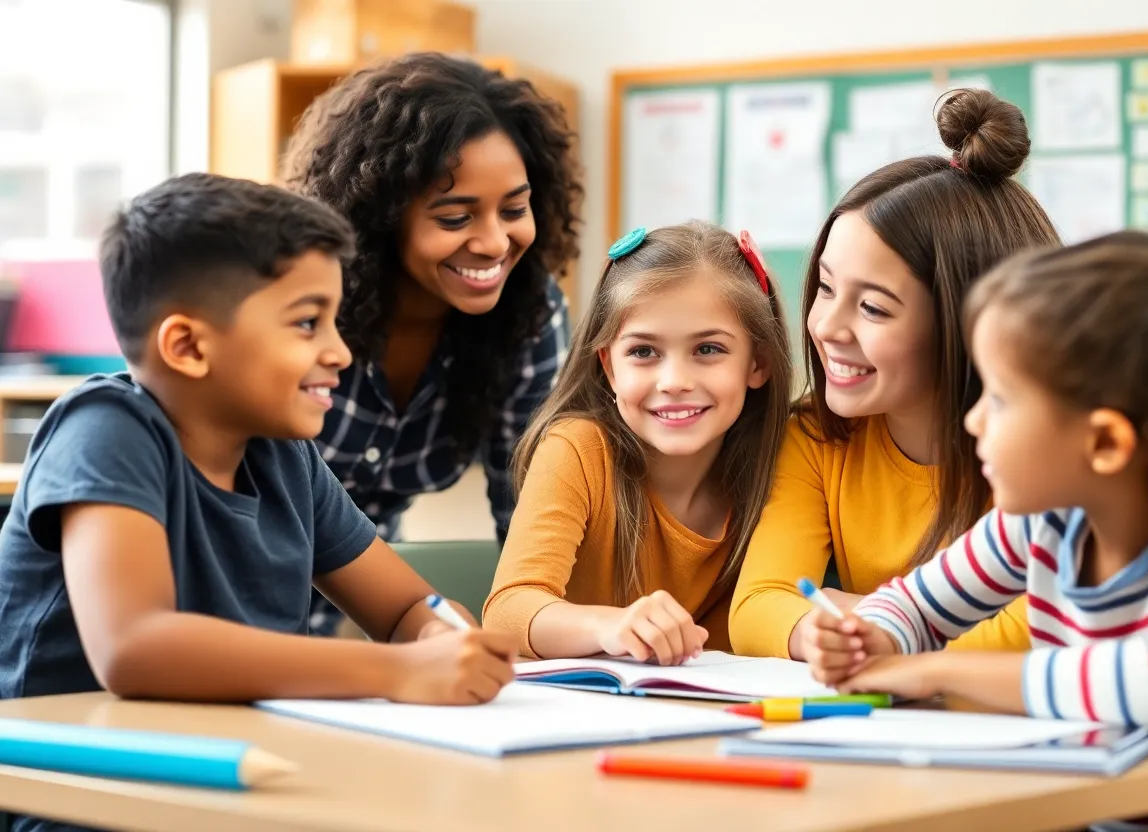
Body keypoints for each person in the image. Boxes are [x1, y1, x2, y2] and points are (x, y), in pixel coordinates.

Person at [0, 173, 517, 716]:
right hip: (77, 783)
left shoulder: (284, 456)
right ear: (188, 346)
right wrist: (398, 671)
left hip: (228, 765)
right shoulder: (105, 430)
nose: (340, 352)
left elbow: (406, 606)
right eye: (307, 323)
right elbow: (134, 648)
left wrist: (437, 634)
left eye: (334, 322)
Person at [803, 229, 1148, 740]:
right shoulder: (1042, 524)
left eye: (999, 400)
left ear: (1105, 443)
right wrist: (874, 638)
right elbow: (916, 607)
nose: (973, 421)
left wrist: (934, 671)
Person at [729, 88, 1060, 660]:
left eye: (874, 308)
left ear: (968, 325)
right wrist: (834, 633)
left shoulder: (1050, 453)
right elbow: (759, 607)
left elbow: (1039, 630)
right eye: (826, 288)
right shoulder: (818, 435)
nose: (825, 325)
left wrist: (862, 619)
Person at [283, 53, 582, 635]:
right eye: (454, 218)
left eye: (515, 209)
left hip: (345, 625)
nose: (495, 242)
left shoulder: (528, 313)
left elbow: (528, 514)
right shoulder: (301, 306)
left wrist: (552, 629)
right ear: (381, 215)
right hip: (224, 608)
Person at [483, 222, 793, 663]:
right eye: (644, 352)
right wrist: (611, 625)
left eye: (708, 350)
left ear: (757, 362)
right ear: (609, 367)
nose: (674, 382)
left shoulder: (784, 463)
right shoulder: (577, 449)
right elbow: (507, 613)